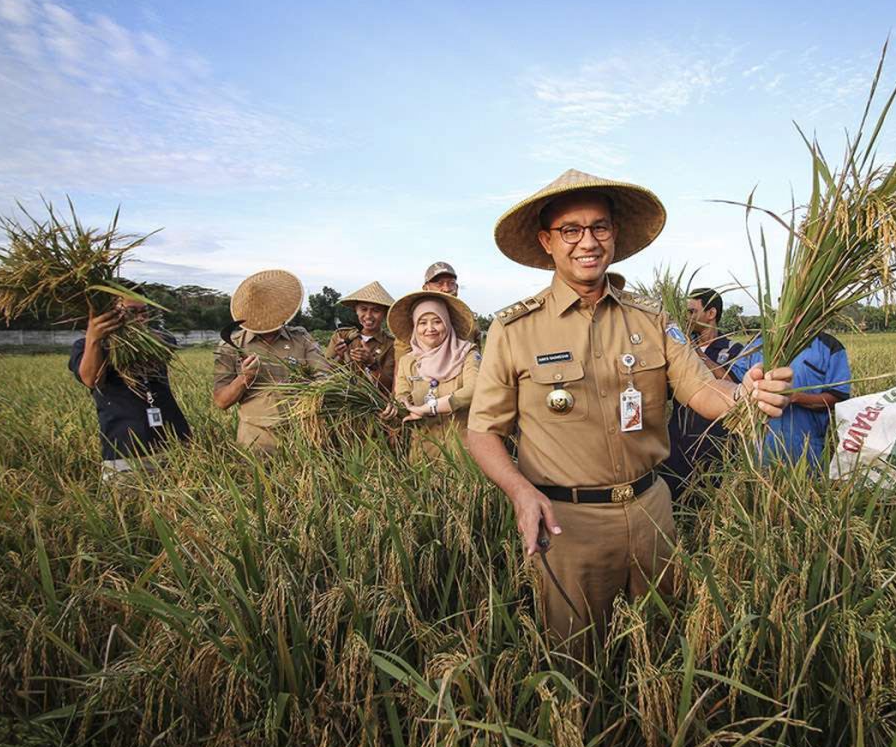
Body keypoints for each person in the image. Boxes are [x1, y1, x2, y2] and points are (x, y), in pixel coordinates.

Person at [466, 168, 795, 653]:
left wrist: (748, 395)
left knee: (662, 651)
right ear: (547, 242)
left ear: (614, 235)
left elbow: (703, 392)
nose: (588, 242)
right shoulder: (514, 330)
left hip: (651, 511)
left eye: (600, 227)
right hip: (568, 523)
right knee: (576, 657)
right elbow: (482, 432)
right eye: (571, 230)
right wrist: (519, 491)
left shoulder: (651, 319)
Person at [70, 296, 190, 479]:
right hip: (127, 453)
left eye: (145, 312)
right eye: (132, 312)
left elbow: (168, 342)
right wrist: (94, 338)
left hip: (176, 446)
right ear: (110, 314)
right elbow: (91, 379)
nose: (141, 318)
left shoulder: (157, 341)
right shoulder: (87, 347)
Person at [212, 269, 328, 455]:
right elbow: (221, 401)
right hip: (255, 441)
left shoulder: (301, 338)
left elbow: (324, 374)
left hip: (302, 436)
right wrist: (244, 378)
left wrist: (312, 395)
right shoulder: (231, 346)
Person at [658, 287, 745, 500]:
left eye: (691, 311)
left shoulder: (733, 349)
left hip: (717, 444)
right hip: (679, 442)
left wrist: (695, 355)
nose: (687, 317)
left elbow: (735, 387)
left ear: (711, 313)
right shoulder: (676, 348)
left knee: (711, 504)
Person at [732, 329, 852, 467]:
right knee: (758, 484)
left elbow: (838, 397)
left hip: (807, 449)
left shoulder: (829, 346)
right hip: (758, 445)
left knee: (805, 486)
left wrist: (794, 396)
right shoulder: (758, 342)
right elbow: (735, 381)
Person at [389, 290, 481, 457]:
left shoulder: (467, 353)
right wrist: (401, 406)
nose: (429, 329)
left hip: (464, 453)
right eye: (422, 323)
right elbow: (401, 394)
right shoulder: (408, 361)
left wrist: (427, 408)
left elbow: (473, 389)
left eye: (437, 321)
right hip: (424, 454)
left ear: (447, 323)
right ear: (415, 327)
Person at [325, 281, 396, 393]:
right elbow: (325, 375)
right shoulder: (341, 336)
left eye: (376, 310)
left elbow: (390, 386)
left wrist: (372, 363)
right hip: (342, 399)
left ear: (384, 314)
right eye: (363, 309)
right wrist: (339, 357)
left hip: (376, 405)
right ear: (356, 310)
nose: (368, 316)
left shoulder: (392, 344)